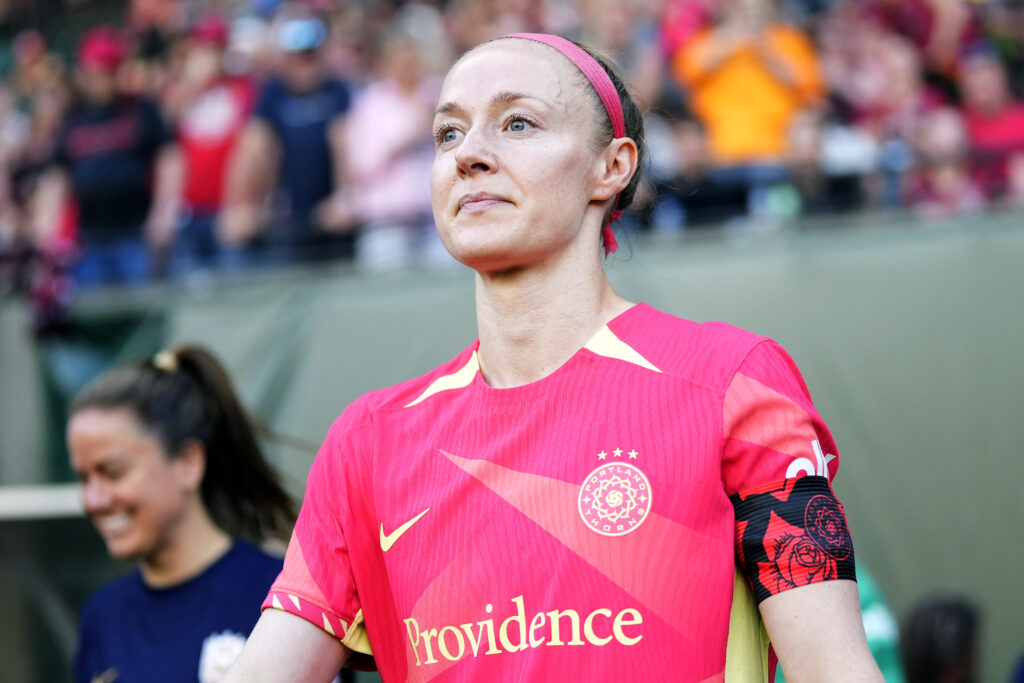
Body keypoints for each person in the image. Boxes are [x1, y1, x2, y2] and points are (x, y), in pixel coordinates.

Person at [225, 33, 884, 682]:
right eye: (448, 134)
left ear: (614, 165)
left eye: (517, 123)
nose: (470, 155)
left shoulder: (731, 382)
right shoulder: (367, 439)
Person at [68, 345, 296, 683]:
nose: (94, 500)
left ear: (188, 463)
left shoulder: (280, 596)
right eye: (84, 478)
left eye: (113, 472)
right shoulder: (104, 617)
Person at [36, 26, 178, 288]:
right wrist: (48, 229)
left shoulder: (141, 109)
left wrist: (163, 214)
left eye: (109, 69)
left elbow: (169, 160)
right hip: (89, 240)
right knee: (97, 314)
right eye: (97, 70)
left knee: (141, 309)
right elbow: (58, 176)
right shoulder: (72, 119)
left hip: (135, 236)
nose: (104, 78)